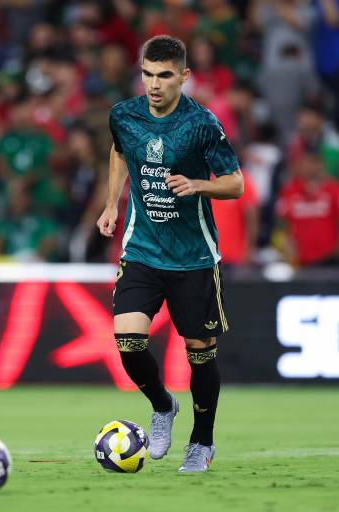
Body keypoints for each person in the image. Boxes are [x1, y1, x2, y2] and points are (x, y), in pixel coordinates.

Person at [96, 35, 243, 473]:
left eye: (163, 75)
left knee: (200, 352)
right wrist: (110, 204)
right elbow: (120, 152)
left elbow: (235, 183)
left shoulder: (201, 124)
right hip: (142, 250)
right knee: (127, 342)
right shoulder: (123, 115)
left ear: (184, 76)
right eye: (147, 74)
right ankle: (163, 405)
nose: (154, 84)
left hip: (194, 258)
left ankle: (202, 442)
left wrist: (198, 184)